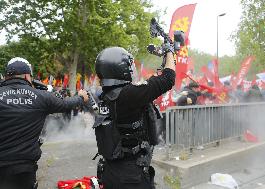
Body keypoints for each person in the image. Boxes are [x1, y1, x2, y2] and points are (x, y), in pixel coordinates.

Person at [0, 57, 89, 189]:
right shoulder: (42, 97)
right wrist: (81, 97)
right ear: (26, 75)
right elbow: (66, 104)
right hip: (24, 169)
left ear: (7, 76)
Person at [94, 46, 175, 189]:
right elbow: (168, 78)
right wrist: (170, 51)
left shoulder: (105, 94)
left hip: (110, 171)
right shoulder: (128, 95)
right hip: (131, 176)